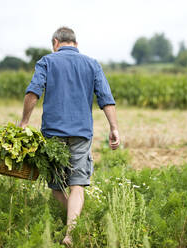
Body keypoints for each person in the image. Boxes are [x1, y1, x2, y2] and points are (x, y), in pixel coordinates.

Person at [19, 26, 120, 246]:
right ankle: (72, 232)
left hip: (53, 135)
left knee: (56, 187)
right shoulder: (92, 64)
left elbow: (33, 92)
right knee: (77, 186)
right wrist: (114, 128)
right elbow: (106, 98)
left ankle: (72, 223)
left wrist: (25, 122)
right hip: (81, 134)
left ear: (56, 42)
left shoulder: (47, 61)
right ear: (75, 42)